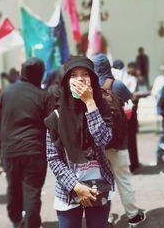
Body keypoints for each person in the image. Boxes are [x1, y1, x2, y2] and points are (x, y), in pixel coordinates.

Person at [45, 56, 115, 228]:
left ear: (92, 78)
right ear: (66, 81)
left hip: (100, 186)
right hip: (68, 190)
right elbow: (53, 157)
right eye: (73, 75)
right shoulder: (56, 116)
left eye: (85, 74)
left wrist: (90, 103)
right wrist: (76, 186)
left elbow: (103, 139)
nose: (80, 79)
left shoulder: (102, 107)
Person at [0, 57, 53, 228]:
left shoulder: (6, 92)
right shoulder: (43, 95)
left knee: (13, 188)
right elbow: (51, 126)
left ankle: (16, 220)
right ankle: (31, 224)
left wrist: (1, 149)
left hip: (10, 151)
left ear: (22, 72)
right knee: (32, 191)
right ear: (40, 74)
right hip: (35, 151)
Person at [93, 53, 146, 227]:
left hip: (98, 144)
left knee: (102, 183)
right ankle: (133, 216)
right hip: (119, 143)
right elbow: (130, 99)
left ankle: (105, 219)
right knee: (124, 180)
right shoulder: (118, 85)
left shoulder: (90, 87)